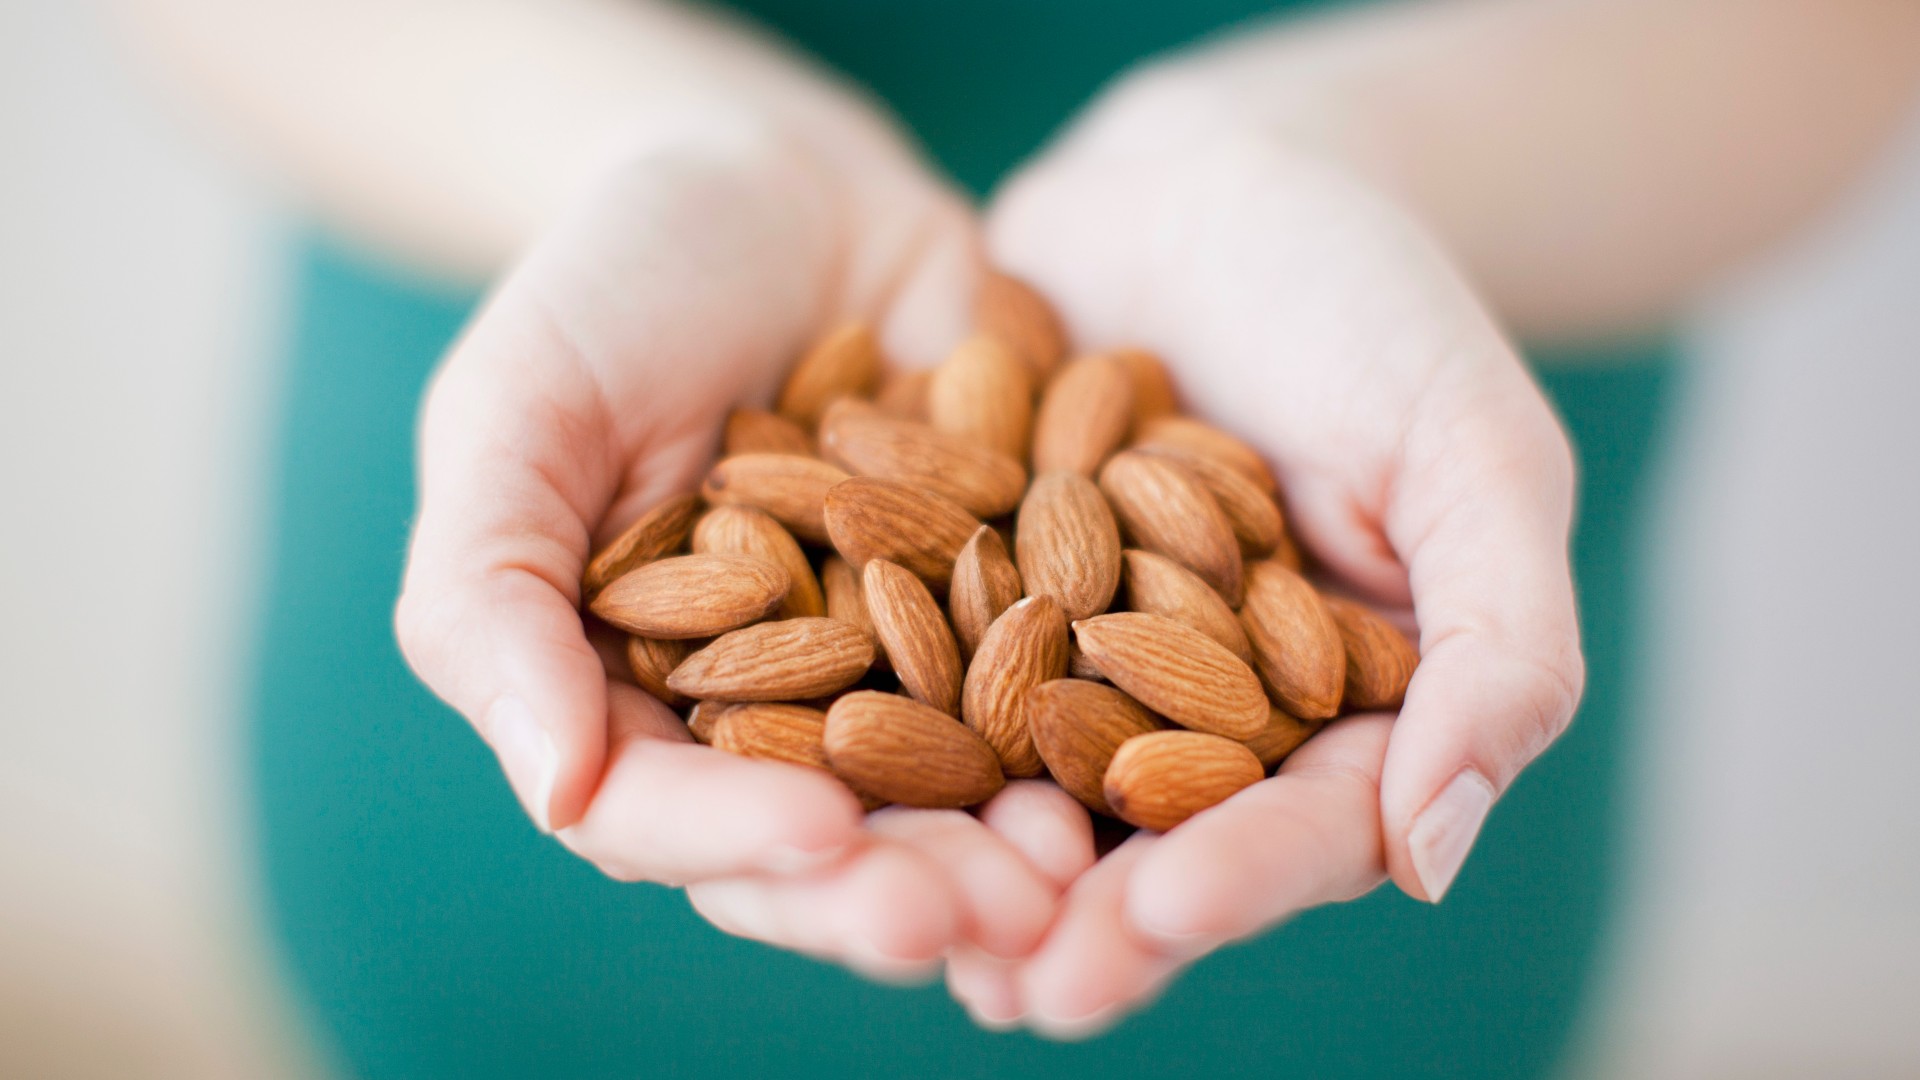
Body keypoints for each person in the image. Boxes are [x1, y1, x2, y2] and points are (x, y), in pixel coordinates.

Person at [126, 0, 1920, 1073]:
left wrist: (1341, 150)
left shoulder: (1142, 572)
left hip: (1369, 764)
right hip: (564, 531)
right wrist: (653, 146)